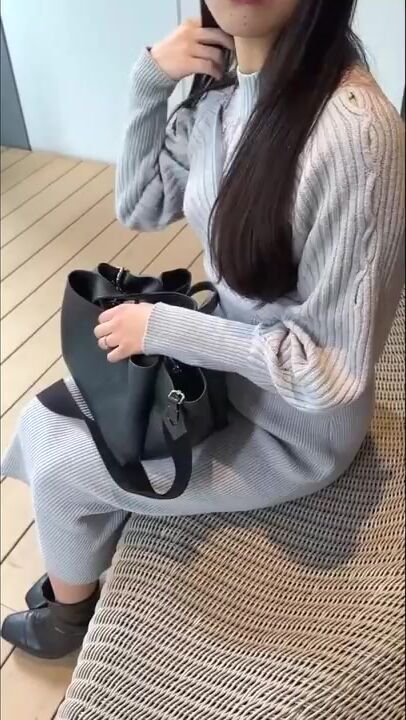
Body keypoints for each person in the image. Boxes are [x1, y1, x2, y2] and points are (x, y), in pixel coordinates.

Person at [1, 0, 404, 660]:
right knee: (48, 418)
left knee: (63, 463)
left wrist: (167, 330)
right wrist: (149, 83)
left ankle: (66, 615)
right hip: (224, 378)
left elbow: (328, 374)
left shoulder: (355, 135)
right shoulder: (222, 100)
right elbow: (139, 205)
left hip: (292, 434)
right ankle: (81, 555)